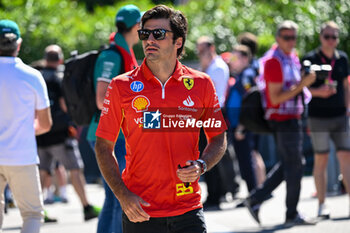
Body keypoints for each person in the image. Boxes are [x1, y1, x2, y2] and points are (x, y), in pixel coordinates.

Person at [95, 5, 227, 233]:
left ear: (178, 41)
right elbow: (102, 147)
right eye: (145, 34)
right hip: (141, 212)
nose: (149, 40)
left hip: (188, 210)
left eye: (158, 34)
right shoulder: (121, 86)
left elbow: (218, 138)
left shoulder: (202, 83)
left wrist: (201, 165)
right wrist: (123, 195)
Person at [243, 20, 317, 226]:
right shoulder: (274, 61)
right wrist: (303, 84)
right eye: (286, 37)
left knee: (293, 163)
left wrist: (310, 86)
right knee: (295, 165)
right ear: (278, 38)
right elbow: (276, 98)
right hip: (282, 120)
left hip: (292, 118)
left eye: (293, 37)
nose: (291, 41)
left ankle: (255, 198)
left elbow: (296, 90)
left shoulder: (291, 57)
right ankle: (291, 213)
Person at [86, 4, 141, 233]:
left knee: (113, 199)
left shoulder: (122, 52)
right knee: (122, 196)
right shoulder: (112, 55)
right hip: (110, 136)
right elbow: (102, 100)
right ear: (136, 27)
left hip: (114, 134)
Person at [35, 44, 100, 221]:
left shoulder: (37, 77)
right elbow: (65, 105)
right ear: (61, 60)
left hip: (40, 134)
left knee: (42, 172)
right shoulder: (59, 78)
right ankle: (87, 207)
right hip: (61, 134)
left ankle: (37, 212)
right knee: (75, 169)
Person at [0, 19, 52, 232]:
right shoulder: (32, 76)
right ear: (18, 44)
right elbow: (45, 123)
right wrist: (26, 131)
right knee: (32, 214)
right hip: (22, 156)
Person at [302, 21, 350, 219]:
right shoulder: (310, 58)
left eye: (335, 37)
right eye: (327, 36)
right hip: (318, 117)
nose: (331, 41)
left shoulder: (342, 58)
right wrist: (317, 92)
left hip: (340, 116)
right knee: (321, 160)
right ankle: (322, 204)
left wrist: (348, 108)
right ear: (321, 37)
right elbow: (301, 88)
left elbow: (346, 85)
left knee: (346, 159)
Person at [196, 36, 236, 210]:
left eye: (202, 50)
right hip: (209, 112)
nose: (200, 54)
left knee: (214, 153)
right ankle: (216, 192)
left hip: (214, 112)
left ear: (211, 48)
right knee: (210, 153)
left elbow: (204, 90)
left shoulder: (217, 67)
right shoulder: (212, 66)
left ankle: (219, 193)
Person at [225, 45, 258, 193]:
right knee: (244, 161)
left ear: (245, 59)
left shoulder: (247, 75)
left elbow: (251, 101)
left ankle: (253, 194)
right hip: (237, 126)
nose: (232, 62)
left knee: (246, 162)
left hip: (243, 127)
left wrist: (242, 126)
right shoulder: (241, 75)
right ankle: (252, 194)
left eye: (235, 58)